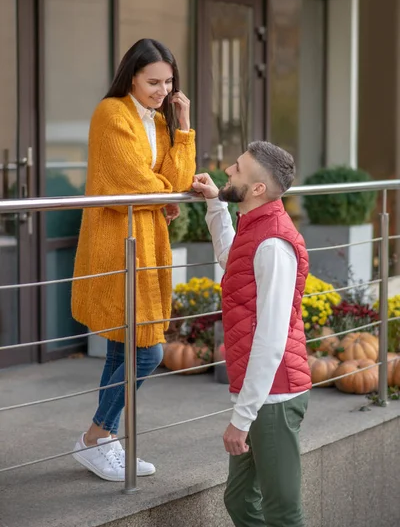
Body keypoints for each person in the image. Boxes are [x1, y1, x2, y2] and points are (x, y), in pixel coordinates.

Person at [71, 39, 196, 482]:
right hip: (117, 241)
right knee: (149, 352)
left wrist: (182, 126)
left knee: (124, 349)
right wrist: (163, 191)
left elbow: (175, 182)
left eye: (169, 81)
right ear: (131, 77)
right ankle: (93, 436)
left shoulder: (160, 122)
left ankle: (103, 442)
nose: (162, 90)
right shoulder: (112, 114)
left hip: (145, 242)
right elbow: (142, 186)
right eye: (153, 81)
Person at [192, 141, 312, 527]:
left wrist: (242, 418)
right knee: (241, 500)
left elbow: (272, 339)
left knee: (283, 512)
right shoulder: (256, 225)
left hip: (274, 396)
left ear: (258, 188)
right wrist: (216, 205)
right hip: (259, 392)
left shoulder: (274, 243)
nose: (228, 170)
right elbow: (234, 260)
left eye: (238, 169)